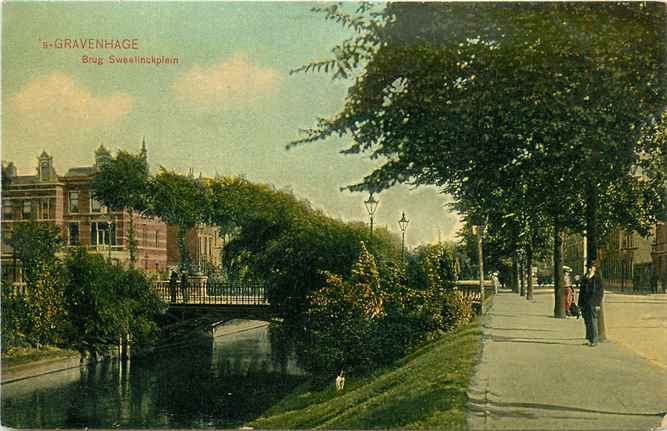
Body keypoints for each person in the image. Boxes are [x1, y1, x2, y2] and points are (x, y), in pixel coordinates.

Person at [579, 259, 604, 346]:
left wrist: (597, 304)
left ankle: (594, 340)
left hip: (593, 302)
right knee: (587, 321)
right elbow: (581, 292)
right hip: (585, 302)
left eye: (591, 267)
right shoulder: (585, 277)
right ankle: (589, 339)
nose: (589, 269)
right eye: (588, 267)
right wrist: (580, 304)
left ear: (595, 268)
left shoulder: (597, 278)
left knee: (593, 320)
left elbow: (600, 292)